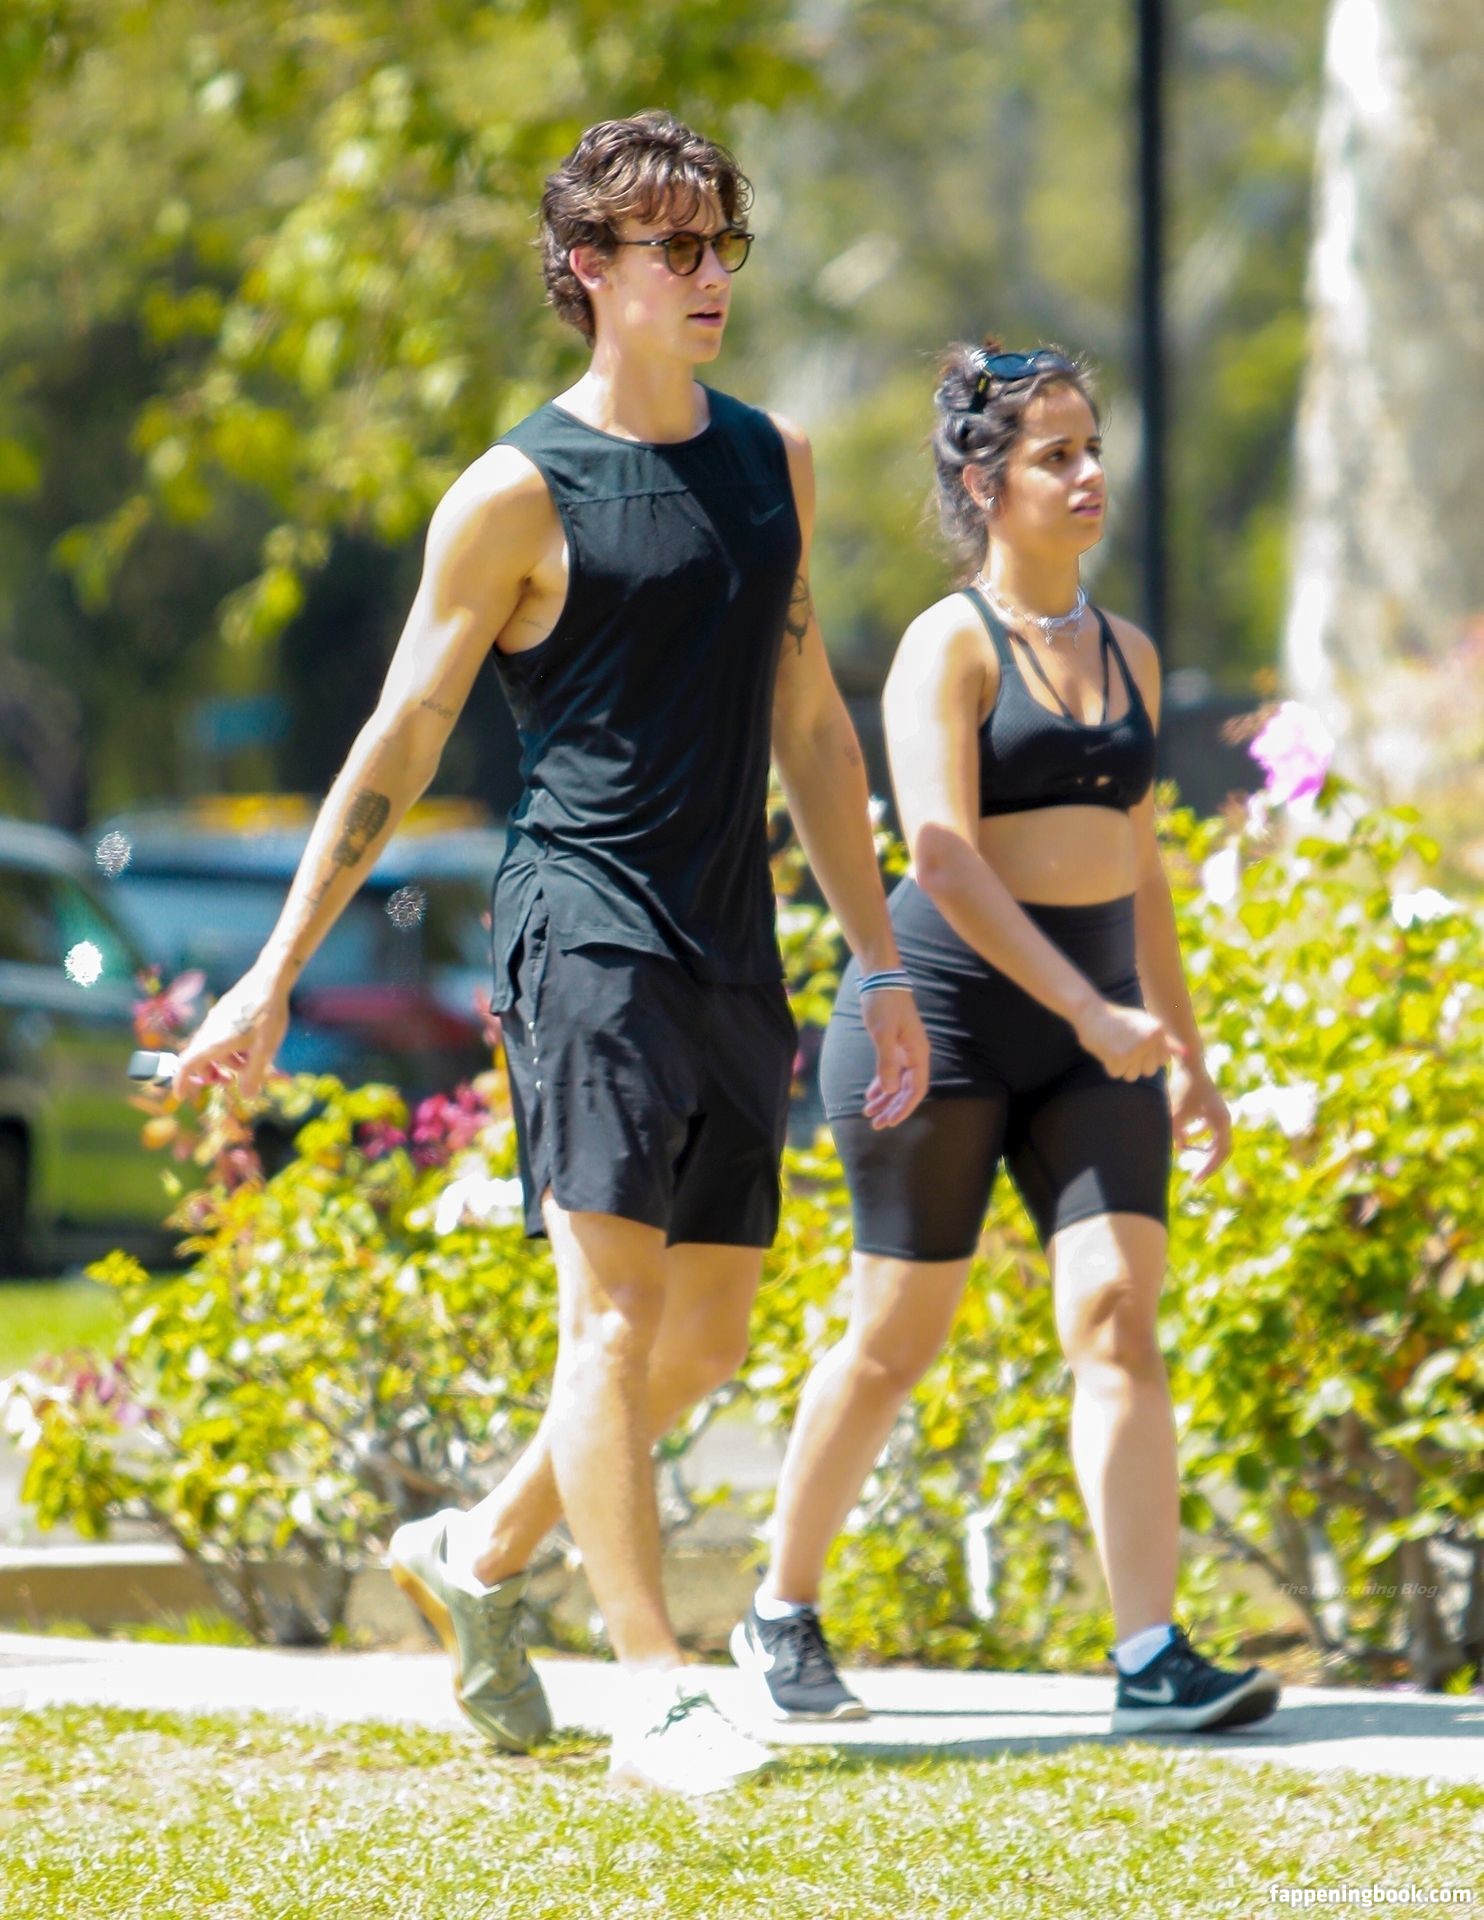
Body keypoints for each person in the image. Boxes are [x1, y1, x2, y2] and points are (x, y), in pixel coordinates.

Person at [170, 112, 928, 1796]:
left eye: (725, 242)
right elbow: (399, 735)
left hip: (730, 930)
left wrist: (878, 960)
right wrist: (276, 968)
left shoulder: (773, 463)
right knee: (613, 1316)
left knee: (706, 1339)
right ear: (590, 269)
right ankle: (652, 1683)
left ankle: (476, 1553)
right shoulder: (514, 492)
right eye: (678, 247)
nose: (713, 274)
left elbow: (811, 719)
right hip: (579, 923)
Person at [730, 340, 1282, 1737]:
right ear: (985, 484)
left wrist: (1188, 1058)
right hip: (945, 1027)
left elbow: (1140, 872)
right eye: (1056, 456)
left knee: (1116, 1314)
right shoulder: (951, 644)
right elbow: (941, 855)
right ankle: (779, 1608)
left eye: (1094, 450)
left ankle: (1150, 1655)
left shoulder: (1130, 653)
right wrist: (1087, 1009)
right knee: (892, 1337)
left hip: (1098, 1042)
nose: (1089, 476)